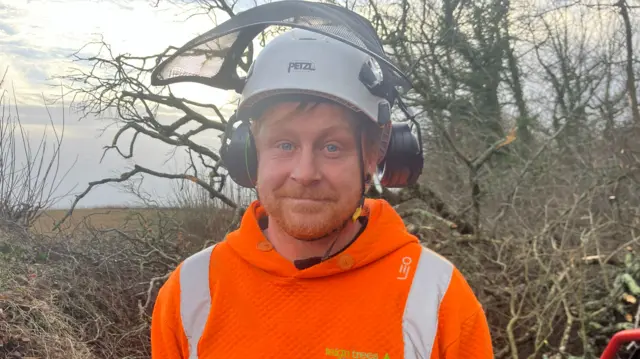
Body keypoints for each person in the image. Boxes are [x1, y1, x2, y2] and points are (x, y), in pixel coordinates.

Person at [150, 8, 494, 359]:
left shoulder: (436, 298)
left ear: (376, 152)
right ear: (249, 153)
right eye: (285, 144)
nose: (305, 172)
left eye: (332, 146)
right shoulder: (192, 292)